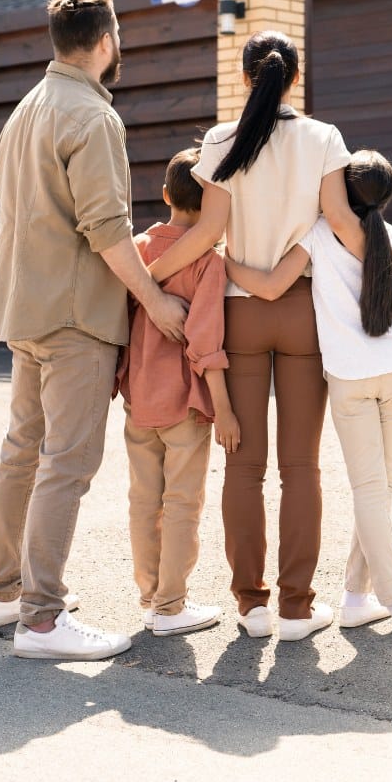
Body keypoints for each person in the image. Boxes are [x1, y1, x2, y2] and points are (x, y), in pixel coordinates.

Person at [0, 0, 188, 662]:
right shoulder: (94, 118)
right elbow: (106, 228)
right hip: (75, 317)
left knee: (23, 453)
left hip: (24, 307)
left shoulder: (26, 110)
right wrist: (156, 302)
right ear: (105, 42)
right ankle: (40, 621)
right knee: (66, 464)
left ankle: (4, 595)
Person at [148, 30, 362, 641]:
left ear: (246, 78)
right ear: (295, 78)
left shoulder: (220, 139)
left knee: (243, 467)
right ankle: (297, 608)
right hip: (303, 312)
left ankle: (252, 607)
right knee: (302, 468)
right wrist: (388, 273)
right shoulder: (323, 139)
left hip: (238, 311)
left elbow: (207, 232)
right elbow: (342, 223)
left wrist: (145, 278)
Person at [225, 149, 392, 632]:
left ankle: (384, 599)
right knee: (380, 489)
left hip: (350, 379)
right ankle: (362, 597)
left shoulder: (318, 234)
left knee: (371, 490)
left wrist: (228, 265)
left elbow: (275, 287)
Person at [115, 147, 240, 637]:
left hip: (138, 396)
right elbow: (205, 341)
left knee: (143, 499)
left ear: (166, 194)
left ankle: (150, 597)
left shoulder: (141, 247)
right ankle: (170, 606)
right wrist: (224, 409)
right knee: (183, 502)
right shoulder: (208, 262)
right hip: (185, 402)